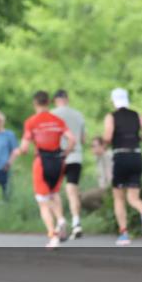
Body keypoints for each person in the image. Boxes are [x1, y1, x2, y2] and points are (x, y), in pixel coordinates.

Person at [15, 91, 76, 249]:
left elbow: (24, 148)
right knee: (54, 193)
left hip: (42, 162)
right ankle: (61, 219)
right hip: (58, 161)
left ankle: (53, 235)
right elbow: (72, 139)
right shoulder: (57, 120)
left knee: (43, 201)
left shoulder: (31, 122)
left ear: (35, 104)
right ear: (48, 103)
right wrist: (66, 152)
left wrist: (18, 151)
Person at [102, 88, 142, 246]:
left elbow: (107, 136)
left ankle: (124, 233)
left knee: (119, 198)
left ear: (113, 101)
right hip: (136, 156)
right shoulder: (136, 115)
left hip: (121, 156)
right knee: (133, 197)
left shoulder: (111, 116)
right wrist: (139, 139)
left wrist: (104, 144)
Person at [51, 89, 87, 239]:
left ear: (55, 100)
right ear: (67, 99)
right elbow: (83, 140)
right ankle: (76, 223)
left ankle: (60, 222)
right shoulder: (78, 115)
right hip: (75, 156)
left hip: (57, 156)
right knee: (72, 191)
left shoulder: (52, 115)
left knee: (54, 192)